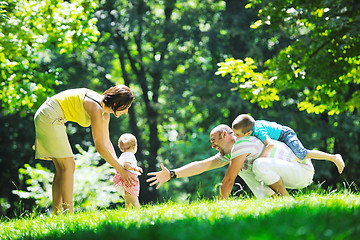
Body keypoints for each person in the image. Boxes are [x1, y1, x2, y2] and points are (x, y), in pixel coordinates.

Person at [34, 85, 137, 215]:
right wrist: (121, 171)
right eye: (125, 108)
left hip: (52, 116)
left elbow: (107, 142)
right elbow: (100, 147)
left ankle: (58, 215)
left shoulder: (105, 113)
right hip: (48, 116)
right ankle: (68, 215)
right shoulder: (96, 107)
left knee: (62, 168)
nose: (126, 112)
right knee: (68, 166)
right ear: (116, 103)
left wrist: (120, 167)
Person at [147, 124, 315, 199]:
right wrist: (172, 174)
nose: (213, 146)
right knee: (244, 167)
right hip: (287, 173)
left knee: (257, 165)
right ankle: (274, 201)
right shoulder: (232, 153)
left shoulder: (243, 143)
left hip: (301, 169)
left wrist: (221, 209)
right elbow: (205, 164)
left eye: (214, 140)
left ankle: (285, 200)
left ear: (226, 135)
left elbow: (228, 181)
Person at [232, 114, 345, 174]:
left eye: (237, 134)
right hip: (278, 135)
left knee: (301, 153)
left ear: (248, 133)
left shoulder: (258, 131)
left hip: (285, 135)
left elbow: (270, 145)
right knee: (296, 155)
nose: (235, 137)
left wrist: (259, 159)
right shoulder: (246, 130)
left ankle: (333, 157)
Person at [113, 133, 142, 208]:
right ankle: (140, 214)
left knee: (128, 201)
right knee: (134, 200)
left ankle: (128, 214)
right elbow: (126, 165)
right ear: (134, 146)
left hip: (122, 181)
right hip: (129, 181)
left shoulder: (123, 155)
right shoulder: (130, 155)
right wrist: (134, 168)